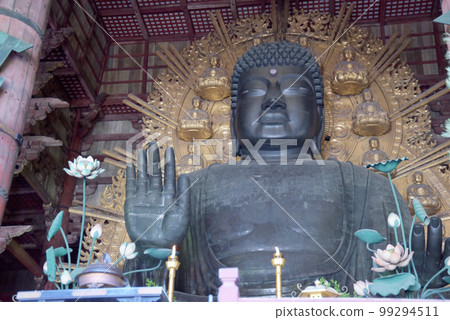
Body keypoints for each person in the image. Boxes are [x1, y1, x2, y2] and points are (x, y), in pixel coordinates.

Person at [124, 41, 447, 298]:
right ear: (234, 118)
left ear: (321, 116)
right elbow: (147, 297)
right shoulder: (188, 192)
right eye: (255, 92)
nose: (274, 101)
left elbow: (408, 290)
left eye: (293, 89)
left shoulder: (369, 188)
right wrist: (149, 251)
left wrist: (426, 274)